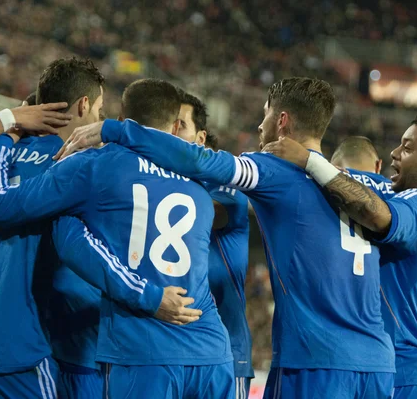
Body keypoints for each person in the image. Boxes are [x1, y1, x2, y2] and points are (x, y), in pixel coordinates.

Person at [58, 77, 396, 399]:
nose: (259, 126)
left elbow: (200, 160)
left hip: (317, 359)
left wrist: (115, 129)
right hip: (378, 360)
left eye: (264, 114)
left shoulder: (271, 168)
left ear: (281, 120)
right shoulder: (363, 187)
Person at [0, 60, 191, 399]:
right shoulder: (73, 168)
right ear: (83, 105)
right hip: (13, 353)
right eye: (99, 108)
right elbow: (78, 245)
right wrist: (150, 297)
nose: (99, 117)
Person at [0, 78, 234, 399]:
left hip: (144, 351)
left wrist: (3, 141)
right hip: (211, 349)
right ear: (176, 126)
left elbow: (5, 209)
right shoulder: (198, 185)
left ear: (122, 117)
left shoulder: (95, 165)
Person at [263, 107, 417, 399]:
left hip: (403, 374)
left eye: (407, 147)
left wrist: (308, 160)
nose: (394, 153)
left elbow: (375, 214)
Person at [176, 91, 254, 398]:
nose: (170, 133)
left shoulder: (227, 183)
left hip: (226, 354)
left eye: (179, 125)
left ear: (200, 137)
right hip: (174, 347)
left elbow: (199, 215)